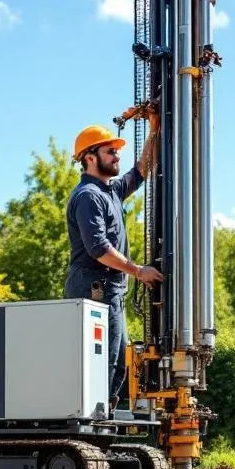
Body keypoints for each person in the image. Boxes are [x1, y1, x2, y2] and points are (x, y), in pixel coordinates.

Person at [64, 111, 164, 415]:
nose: (117, 155)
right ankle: (92, 419)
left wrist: (155, 130)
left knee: (118, 363)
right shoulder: (88, 196)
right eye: (110, 151)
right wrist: (138, 271)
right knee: (104, 361)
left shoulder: (110, 192)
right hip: (94, 288)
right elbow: (99, 249)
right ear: (90, 157)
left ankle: (100, 416)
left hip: (109, 291)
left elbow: (142, 170)